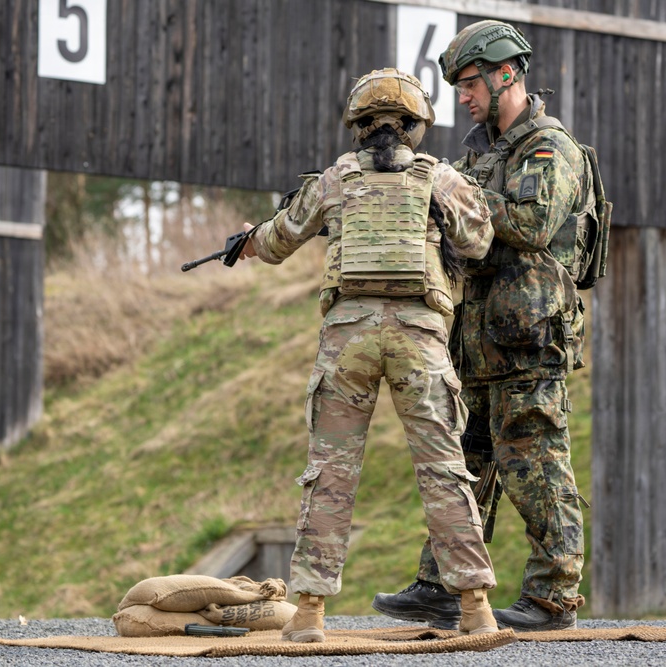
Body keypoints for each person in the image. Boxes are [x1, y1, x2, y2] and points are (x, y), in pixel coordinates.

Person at [239, 67, 498, 643]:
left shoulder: (334, 180)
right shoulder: (441, 179)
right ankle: (476, 608)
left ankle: (307, 615)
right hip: (420, 336)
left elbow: (278, 239)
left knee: (329, 476)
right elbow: (478, 242)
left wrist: (247, 241)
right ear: (417, 126)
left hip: (347, 337)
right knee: (443, 471)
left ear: (358, 124)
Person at [371, 20, 589, 633]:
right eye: (459, 86)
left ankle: (553, 599)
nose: (462, 96)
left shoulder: (549, 148)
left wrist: (448, 189)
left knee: (537, 466)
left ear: (507, 75)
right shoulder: (478, 153)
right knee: (464, 470)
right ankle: (443, 583)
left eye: (469, 83)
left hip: (527, 339)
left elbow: (530, 223)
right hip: (476, 339)